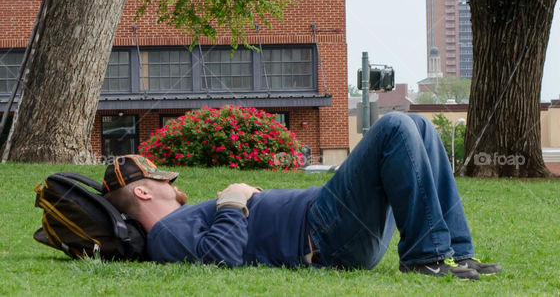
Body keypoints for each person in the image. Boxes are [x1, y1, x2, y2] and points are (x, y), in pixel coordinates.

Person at [103, 112, 500, 280]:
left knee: (418, 125)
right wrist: (233, 200)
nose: (172, 183)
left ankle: (457, 252)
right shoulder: (165, 234)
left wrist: (235, 202)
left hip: (334, 225)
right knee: (394, 125)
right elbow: (220, 258)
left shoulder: (176, 225)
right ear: (143, 190)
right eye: (162, 179)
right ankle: (425, 259)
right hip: (323, 235)